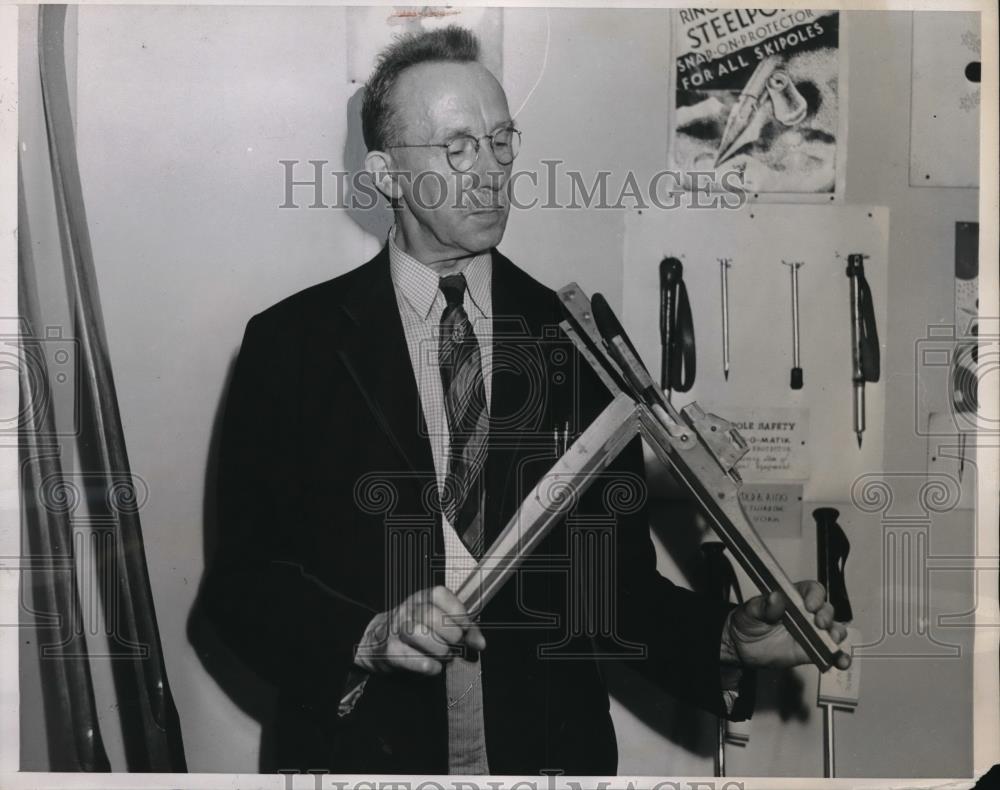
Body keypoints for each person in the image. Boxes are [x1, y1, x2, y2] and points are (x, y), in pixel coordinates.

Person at [202, 25, 848, 776]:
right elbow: (240, 586)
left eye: (501, 142)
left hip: (547, 751)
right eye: (456, 148)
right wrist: (368, 635)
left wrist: (724, 637)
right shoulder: (294, 345)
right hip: (362, 749)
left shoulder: (575, 338)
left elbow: (617, 590)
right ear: (385, 174)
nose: (489, 173)